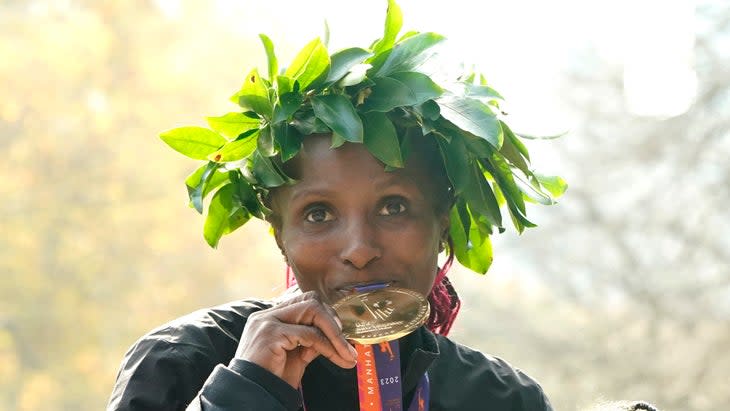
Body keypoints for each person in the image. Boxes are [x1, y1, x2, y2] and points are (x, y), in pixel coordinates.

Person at [108, 2, 565, 410]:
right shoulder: (182, 364)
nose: (359, 249)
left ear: (441, 224)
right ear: (280, 237)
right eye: (319, 214)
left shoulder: (499, 399)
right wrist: (244, 393)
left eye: (393, 207)